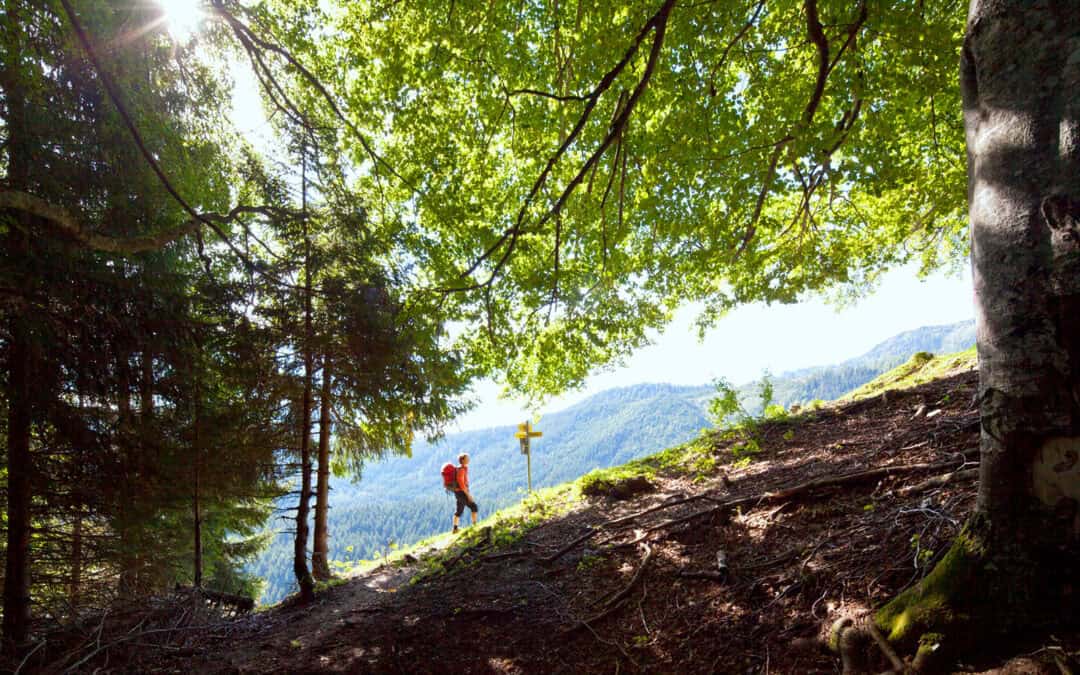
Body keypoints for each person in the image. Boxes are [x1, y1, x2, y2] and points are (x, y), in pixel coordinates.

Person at [451, 453, 478, 534]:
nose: (469, 459)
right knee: (474, 507)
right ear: (462, 460)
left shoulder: (460, 469)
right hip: (462, 492)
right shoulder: (461, 470)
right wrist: (468, 495)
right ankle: (475, 526)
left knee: (459, 510)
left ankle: (455, 529)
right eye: (467, 458)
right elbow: (462, 484)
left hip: (458, 492)